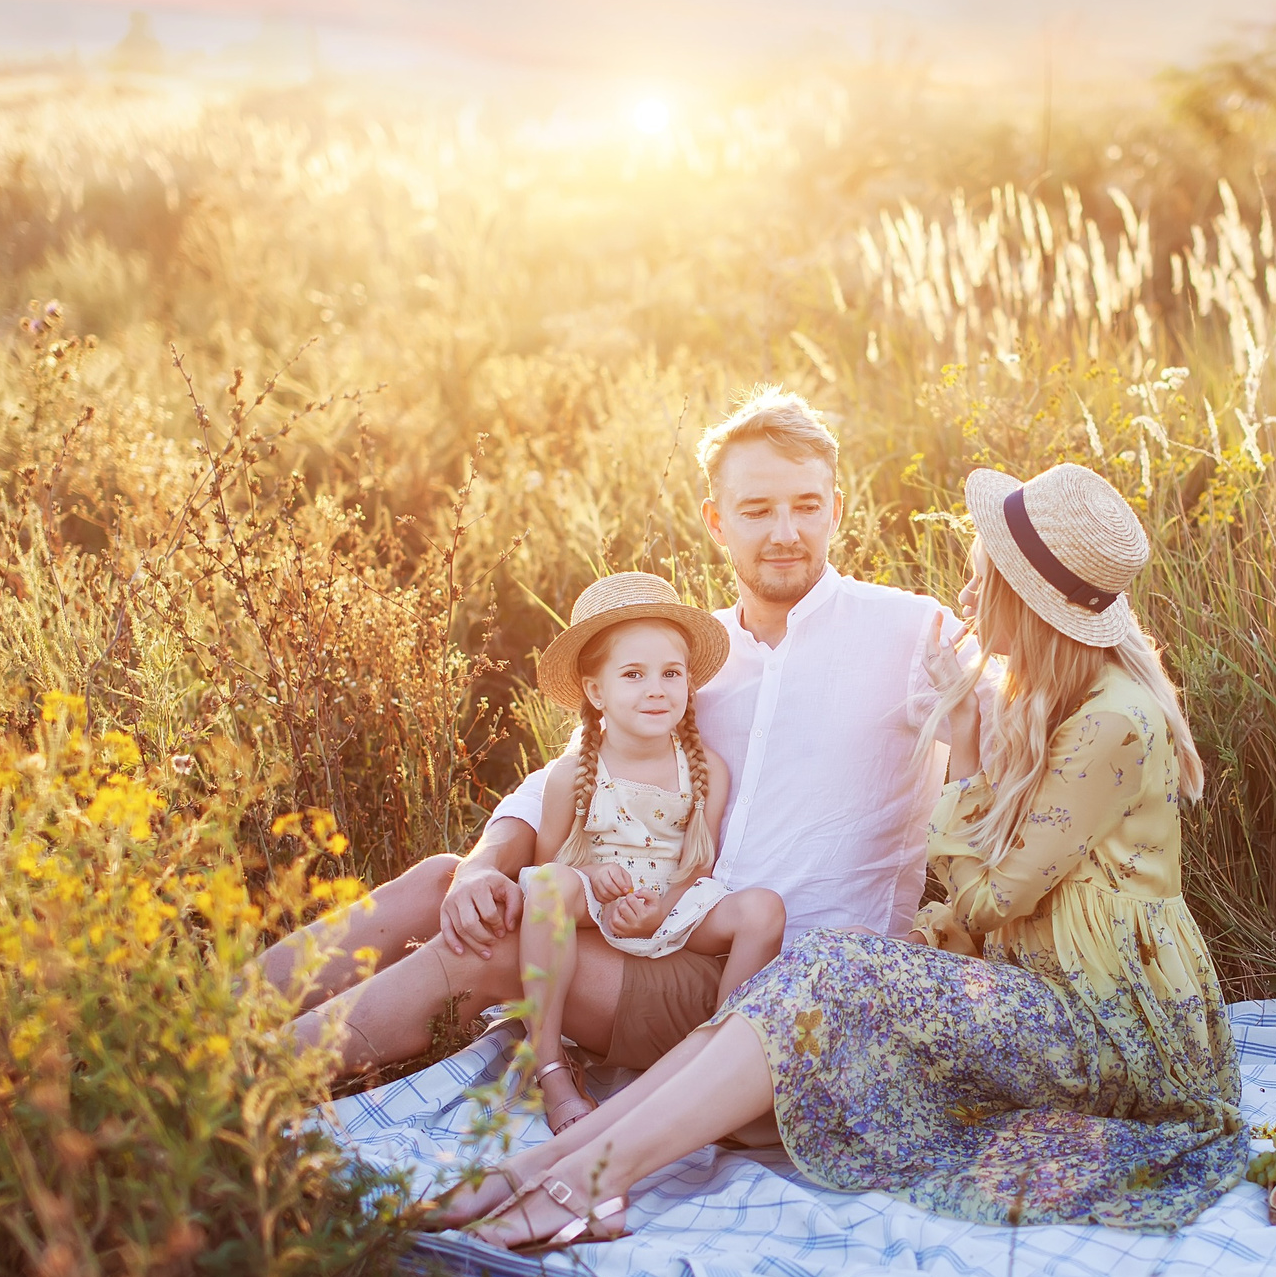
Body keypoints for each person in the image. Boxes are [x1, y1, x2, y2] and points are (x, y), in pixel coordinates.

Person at [438, 461, 1246, 1250]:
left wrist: (961, 755)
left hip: (1112, 1027)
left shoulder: (1112, 718)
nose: (964, 597)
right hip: (1047, 993)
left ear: (1028, 599)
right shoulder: (1057, 699)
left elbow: (996, 897)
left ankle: (581, 1178)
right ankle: (553, 1160)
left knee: (835, 968)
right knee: (822, 962)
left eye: (980, 580)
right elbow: (997, 911)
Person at [260, 388, 977, 1088]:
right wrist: (483, 867)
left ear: (836, 509)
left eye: (807, 506)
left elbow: (1021, 742)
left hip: (775, 982)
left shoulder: (914, 632)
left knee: (496, 946)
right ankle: (203, 1022)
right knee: (442, 880)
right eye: (757, 510)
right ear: (717, 522)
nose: (785, 531)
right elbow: (571, 772)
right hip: (659, 926)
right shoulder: (697, 656)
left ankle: (243, 1082)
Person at [512, 572, 785, 1130]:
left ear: (689, 682)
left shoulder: (706, 770)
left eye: (671, 673)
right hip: (598, 907)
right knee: (547, 889)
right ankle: (551, 1068)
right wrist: (594, 875)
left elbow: (698, 866)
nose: (656, 689)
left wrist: (663, 906)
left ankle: (714, 1067)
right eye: (633, 675)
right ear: (595, 691)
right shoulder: (573, 776)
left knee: (764, 909)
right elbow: (548, 868)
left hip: (672, 909)